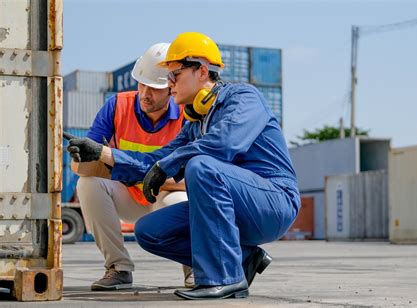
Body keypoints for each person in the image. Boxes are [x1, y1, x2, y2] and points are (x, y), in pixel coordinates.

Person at [65, 32, 300, 300]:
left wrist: (167, 166)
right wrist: (102, 153)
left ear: (201, 71)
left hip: (272, 203)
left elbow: (224, 143)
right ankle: (243, 258)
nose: (170, 83)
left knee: (202, 165)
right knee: (150, 232)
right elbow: (157, 160)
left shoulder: (243, 97)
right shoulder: (195, 124)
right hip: (235, 209)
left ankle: (225, 278)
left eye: (174, 75)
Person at [71, 43, 193, 291]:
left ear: (171, 87)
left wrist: (152, 179)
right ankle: (118, 268)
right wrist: (81, 156)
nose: (145, 93)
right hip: (128, 196)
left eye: (155, 88)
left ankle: (195, 268)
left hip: (164, 197)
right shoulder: (117, 106)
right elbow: (91, 160)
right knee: (87, 184)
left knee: (182, 200)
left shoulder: (186, 115)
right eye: (141, 84)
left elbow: (193, 178)